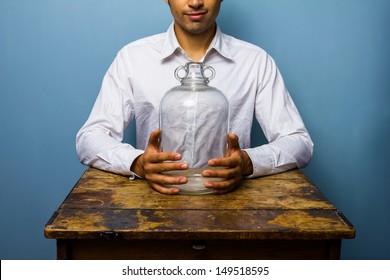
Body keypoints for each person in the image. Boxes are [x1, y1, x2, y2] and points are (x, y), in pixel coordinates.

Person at [76, 0, 313, 195]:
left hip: (232, 206)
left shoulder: (255, 61)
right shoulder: (133, 58)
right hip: (152, 203)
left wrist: (246, 163)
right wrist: (138, 163)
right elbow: (90, 138)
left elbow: (299, 143)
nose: (195, 2)